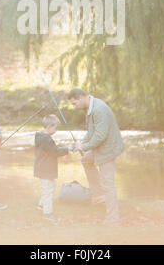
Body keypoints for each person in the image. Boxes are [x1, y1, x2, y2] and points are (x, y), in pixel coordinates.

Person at [67, 88, 124, 225]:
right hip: (100, 147)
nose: (74, 107)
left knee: (108, 185)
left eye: (74, 103)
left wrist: (84, 147)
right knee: (86, 160)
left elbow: (100, 136)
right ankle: (99, 195)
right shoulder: (90, 108)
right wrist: (81, 143)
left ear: (81, 98)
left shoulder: (99, 109)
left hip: (108, 149)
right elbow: (92, 132)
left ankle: (113, 219)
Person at [34, 114, 70, 223]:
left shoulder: (41, 136)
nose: (56, 130)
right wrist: (69, 149)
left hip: (44, 168)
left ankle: (41, 206)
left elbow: (52, 150)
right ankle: (48, 213)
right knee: (48, 191)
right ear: (49, 126)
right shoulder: (46, 139)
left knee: (49, 187)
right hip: (46, 169)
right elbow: (55, 152)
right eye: (55, 127)